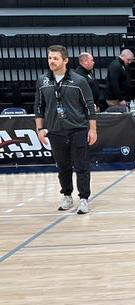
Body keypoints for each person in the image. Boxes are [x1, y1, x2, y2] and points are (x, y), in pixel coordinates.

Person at [34, 45, 97, 214]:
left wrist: (93, 130)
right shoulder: (42, 81)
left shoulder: (79, 81)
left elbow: (89, 107)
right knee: (63, 167)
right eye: (49, 58)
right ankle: (67, 196)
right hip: (55, 131)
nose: (51, 61)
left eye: (55, 58)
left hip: (78, 129)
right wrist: (40, 129)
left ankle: (83, 198)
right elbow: (39, 107)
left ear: (65, 60)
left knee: (81, 165)